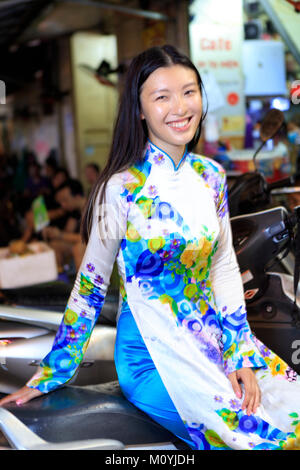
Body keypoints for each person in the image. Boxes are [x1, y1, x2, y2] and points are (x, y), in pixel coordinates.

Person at [1, 45, 300, 451]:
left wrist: (240, 355)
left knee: (290, 406)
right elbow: (90, 283)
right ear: (139, 109)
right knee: (256, 438)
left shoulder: (210, 176)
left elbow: (224, 268)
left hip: (211, 342)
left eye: (189, 91)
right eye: (162, 97)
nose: (180, 107)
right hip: (151, 354)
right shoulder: (120, 188)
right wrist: (51, 372)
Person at [42, 178, 87, 271]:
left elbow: (88, 238)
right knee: (54, 245)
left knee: (78, 248)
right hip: (82, 243)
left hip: (94, 245)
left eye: (65, 200)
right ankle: (61, 278)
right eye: (61, 201)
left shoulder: (92, 208)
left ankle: (84, 285)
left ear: (77, 196)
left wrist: (60, 235)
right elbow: (68, 232)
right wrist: (54, 233)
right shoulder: (75, 211)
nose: (62, 204)